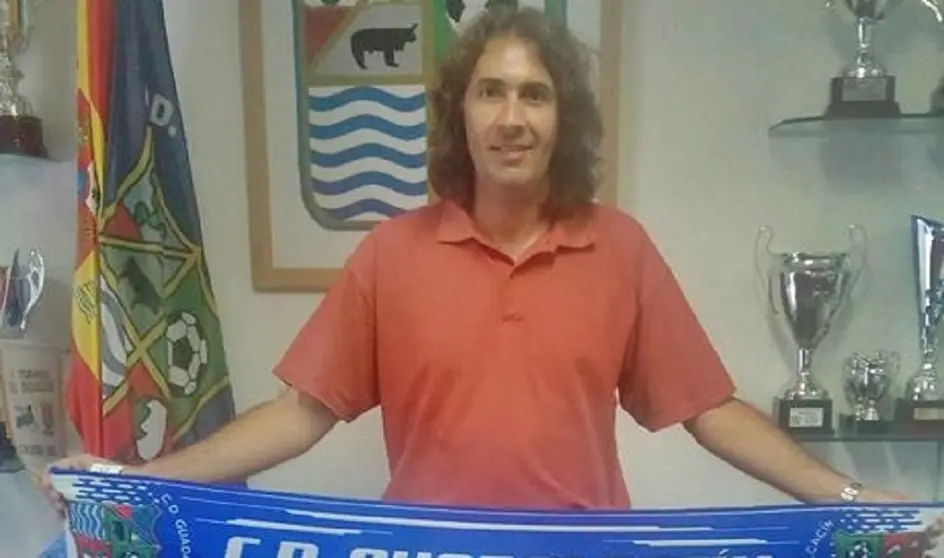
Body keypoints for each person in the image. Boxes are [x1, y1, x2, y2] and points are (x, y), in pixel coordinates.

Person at [45, 6, 915, 513]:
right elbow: (299, 414)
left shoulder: (621, 248)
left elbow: (710, 410)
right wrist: (141, 481)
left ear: (563, 120)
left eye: (535, 95)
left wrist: (848, 498)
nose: (511, 118)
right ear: (458, 114)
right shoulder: (391, 254)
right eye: (490, 92)